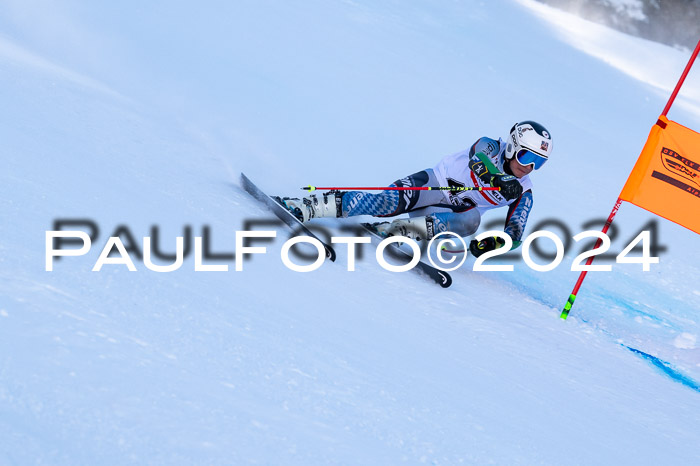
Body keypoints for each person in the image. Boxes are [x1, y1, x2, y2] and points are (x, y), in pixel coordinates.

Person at [279, 121, 553, 257]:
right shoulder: (490, 146)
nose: (529, 167)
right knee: (385, 204)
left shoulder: (523, 191)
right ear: (513, 147)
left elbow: (515, 234)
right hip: (432, 183)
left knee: (472, 219)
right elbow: (478, 161)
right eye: (527, 157)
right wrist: (497, 179)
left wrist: (493, 244)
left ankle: (397, 232)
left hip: (446, 211)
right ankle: (308, 206)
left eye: (538, 162)